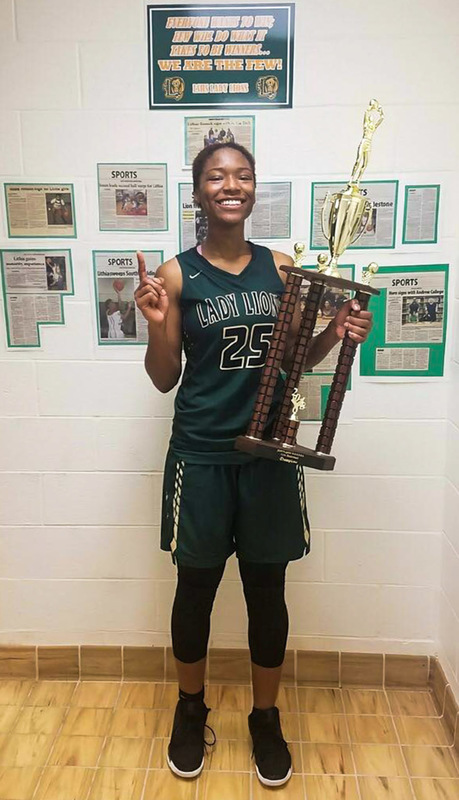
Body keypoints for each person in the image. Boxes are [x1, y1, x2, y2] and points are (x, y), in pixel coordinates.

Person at [134, 143, 372, 787]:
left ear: (255, 188)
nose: (229, 184)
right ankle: (190, 710)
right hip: (202, 456)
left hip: (267, 454)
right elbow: (163, 380)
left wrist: (340, 329)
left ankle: (265, 718)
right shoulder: (177, 275)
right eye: (216, 175)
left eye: (241, 175)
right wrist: (159, 325)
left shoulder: (284, 268)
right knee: (197, 590)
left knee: (268, 592)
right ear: (199, 191)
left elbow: (298, 358)